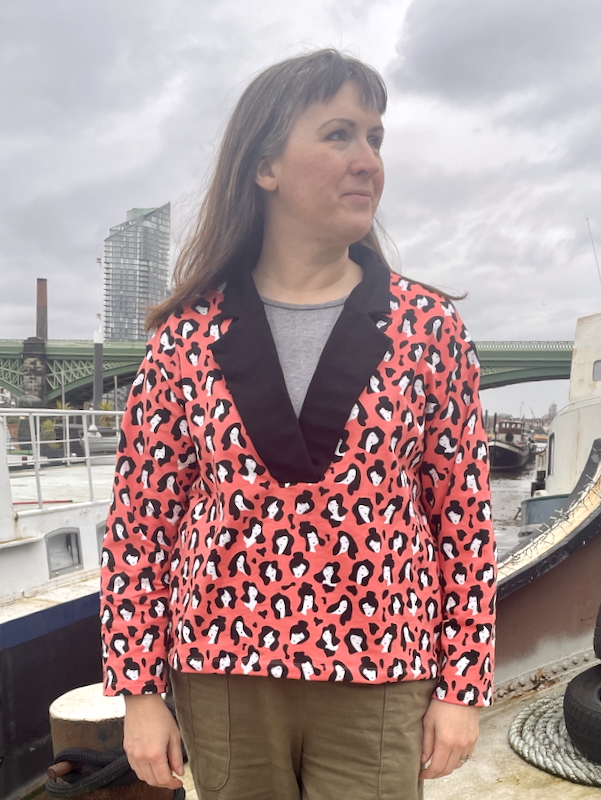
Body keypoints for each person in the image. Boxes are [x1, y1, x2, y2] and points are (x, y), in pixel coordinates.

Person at [100, 48, 496, 800]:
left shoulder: (427, 326)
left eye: (375, 138)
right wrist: (140, 692)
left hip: (381, 666)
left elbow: (463, 520)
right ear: (265, 167)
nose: (367, 161)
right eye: (339, 134)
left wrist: (462, 684)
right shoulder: (186, 335)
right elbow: (141, 524)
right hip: (222, 669)